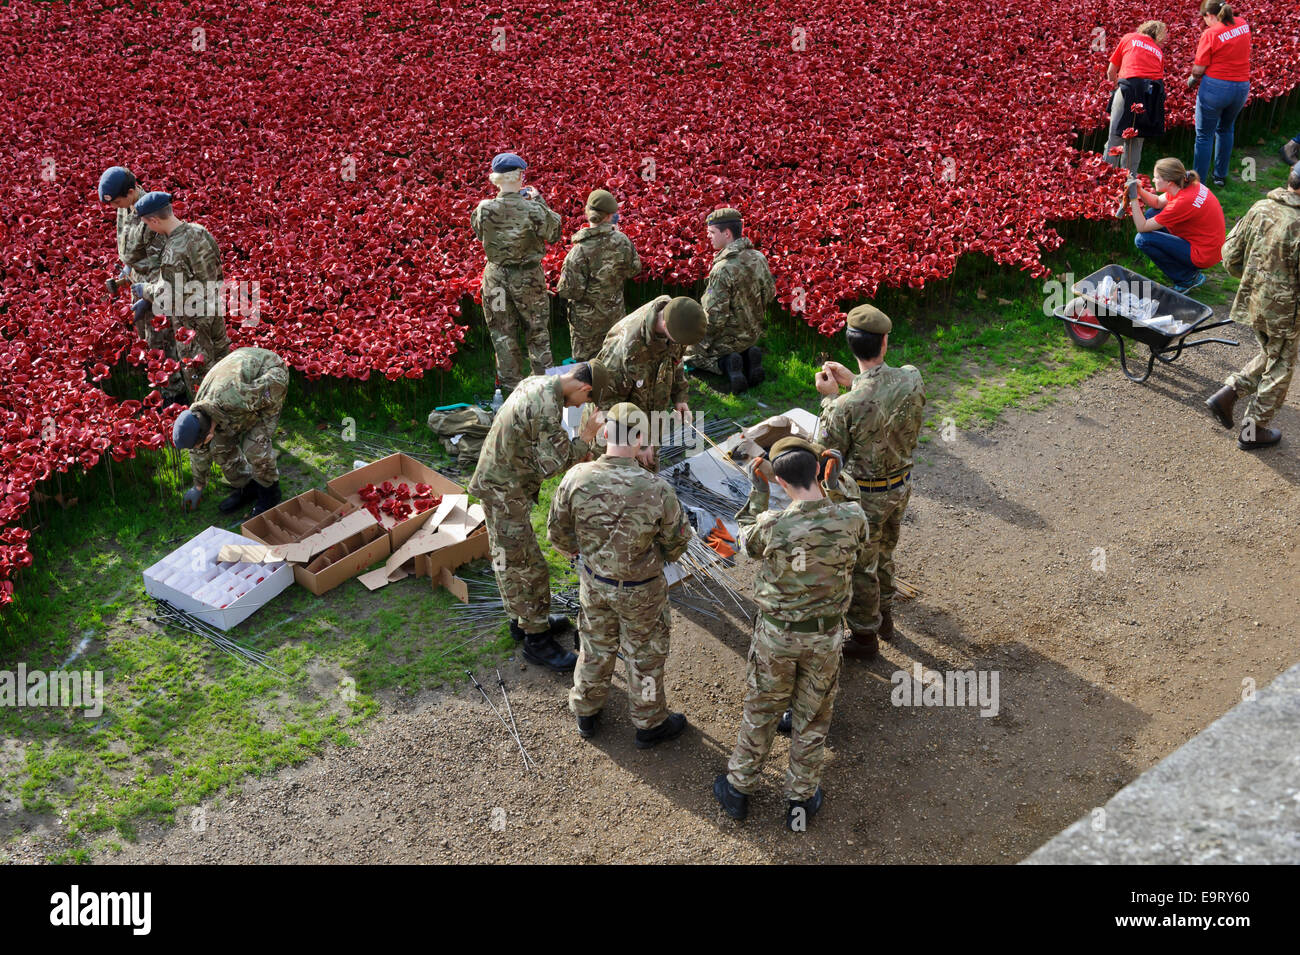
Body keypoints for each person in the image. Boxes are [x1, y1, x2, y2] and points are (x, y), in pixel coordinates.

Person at [713, 437, 867, 830]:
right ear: (819, 470)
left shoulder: (774, 526)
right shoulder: (852, 518)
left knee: (762, 710)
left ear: (781, 482)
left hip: (777, 637)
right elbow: (855, 527)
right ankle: (799, 798)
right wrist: (837, 478)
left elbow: (743, 540)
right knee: (813, 716)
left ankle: (739, 789)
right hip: (825, 636)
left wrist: (757, 488)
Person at [547, 402, 694, 748]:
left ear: (605, 433)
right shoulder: (656, 490)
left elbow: (558, 533)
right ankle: (649, 721)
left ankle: (586, 708)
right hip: (642, 589)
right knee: (645, 655)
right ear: (640, 438)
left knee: (595, 646)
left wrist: (579, 550)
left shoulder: (576, 478)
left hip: (595, 582)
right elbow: (678, 542)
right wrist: (655, 556)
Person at [467, 362, 609, 672]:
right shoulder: (547, 407)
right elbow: (554, 464)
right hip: (504, 491)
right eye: (587, 400)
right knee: (529, 567)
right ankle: (537, 642)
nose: (582, 405)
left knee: (507, 557)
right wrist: (586, 436)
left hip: (499, 481)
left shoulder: (540, 382)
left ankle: (521, 622)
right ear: (585, 388)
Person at [815, 304, 925, 660]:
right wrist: (855, 381)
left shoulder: (843, 406)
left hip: (865, 496)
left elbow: (828, 455)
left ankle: (864, 636)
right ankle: (886, 616)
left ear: (851, 346)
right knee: (886, 551)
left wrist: (831, 398)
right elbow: (880, 393)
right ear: (885, 343)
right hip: (901, 486)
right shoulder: (912, 377)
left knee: (862, 564)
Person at [1205, 161, 1300, 450]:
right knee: (1281, 367)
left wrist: (1252, 281)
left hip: (1253, 301)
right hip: (1286, 313)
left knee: (1271, 351)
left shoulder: (1260, 207)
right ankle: (1253, 430)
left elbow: (1230, 254)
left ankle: (1229, 392)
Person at [470, 152, 562, 390]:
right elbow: (554, 232)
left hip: (496, 278)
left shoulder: (483, 209)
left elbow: (481, 234)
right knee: (537, 332)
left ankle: (511, 393)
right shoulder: (533, 210)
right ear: (519, 176)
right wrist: (539, 200)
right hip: (528, 278)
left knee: (502, 333)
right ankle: (543, 391)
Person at [97, 168, 185, 403]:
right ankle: (161, 389)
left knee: (162, 340)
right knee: (147, 339)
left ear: (131, 191)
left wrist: (147, 298)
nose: (115, 207)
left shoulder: (150, 214)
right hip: (139, 282)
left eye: (117, 201)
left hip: (158, 288)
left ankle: (174, 395)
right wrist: (125, 273)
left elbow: (163, 265)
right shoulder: (125, 206)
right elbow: (130, 248)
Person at [171, 347, 288, 516]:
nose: (199, 446)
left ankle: (269, 492)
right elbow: (199, 452)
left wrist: (257, 430)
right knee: (219, 447)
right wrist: (198, 486)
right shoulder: (199, 413)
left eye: (201, 442)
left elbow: (265, 399)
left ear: (207, 434)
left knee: (255, 447)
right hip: (241, 382)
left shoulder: (235, 397)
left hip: (270, 376)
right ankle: (248, 487)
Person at [135, 191, 231, 396]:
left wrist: (145, 290)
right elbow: (217, 266)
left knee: (199, 376)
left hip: (191, 324)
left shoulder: (172, 253)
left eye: (147, 223)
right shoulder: (200, 231)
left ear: (154, 220)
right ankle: (233, 414)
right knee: (224, 366)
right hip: (214, 310)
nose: (149, 228)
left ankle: (210, 423)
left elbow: (168, 296)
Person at [592, 295, 705, 468]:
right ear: (666, 326)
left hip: (650, 419)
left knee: (647, 477)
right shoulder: (626, 347)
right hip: (620, 431)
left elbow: (676, 361)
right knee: (618, 485)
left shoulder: (675, 319)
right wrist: (638, 443)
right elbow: (605, 402)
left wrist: (680, 396)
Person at [684, 207, 775, 393]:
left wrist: (697, 343)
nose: (709, 237)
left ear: (726, 234)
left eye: (712, 233)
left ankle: (726, 364)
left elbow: (715, 318)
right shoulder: (759, 257)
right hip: (752, 333)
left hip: (728, 339)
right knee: (741, 346)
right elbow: (770, 294)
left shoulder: (722, 269)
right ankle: (749, 355)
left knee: (688, 355)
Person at [555, 189, 641, 361]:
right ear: (610, 216)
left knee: (587, 367)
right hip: (615, 315)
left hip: (587, 324)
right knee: (614, 358)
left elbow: (569, 291)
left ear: (587, 213)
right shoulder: (622, 241)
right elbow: (634, 269)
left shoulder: (579, 251)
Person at [1127, 157, 1225, 293]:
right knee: (1151, 214)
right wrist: (1138, 190)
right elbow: (1156, 202)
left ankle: (1188, 278)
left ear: (1169, 182)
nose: (1153, 180)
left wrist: (1133, 198)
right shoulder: (1186, 184)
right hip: (1209, 244)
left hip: (1204, 254)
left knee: (1142, 239)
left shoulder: (1182, 203)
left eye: (1156, 177)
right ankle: (1185, 269)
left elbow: (1141, 227)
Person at [1187, 1, 1251, 187]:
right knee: (1226, 129)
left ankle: (1197, 182)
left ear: (1210, 15)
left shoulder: (1211, 33)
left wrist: (1191, 79)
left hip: (1215, 88)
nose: (1204, 22)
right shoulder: (1242, 24)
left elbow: (1198, 69)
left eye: (1204, 18)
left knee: (1204, 135)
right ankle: (1220, 176)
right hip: (1241, 86)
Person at [1104, 22, 1168, 181]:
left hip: (1127, 90)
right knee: (1135, 142)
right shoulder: (1159, 52)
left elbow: (1111, 71)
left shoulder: (1129, 38)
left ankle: (1106, 180)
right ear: (1158, 35)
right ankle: (1129, 182)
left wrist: (1115, 89)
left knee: (1114, 138)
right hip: (1148, 97)